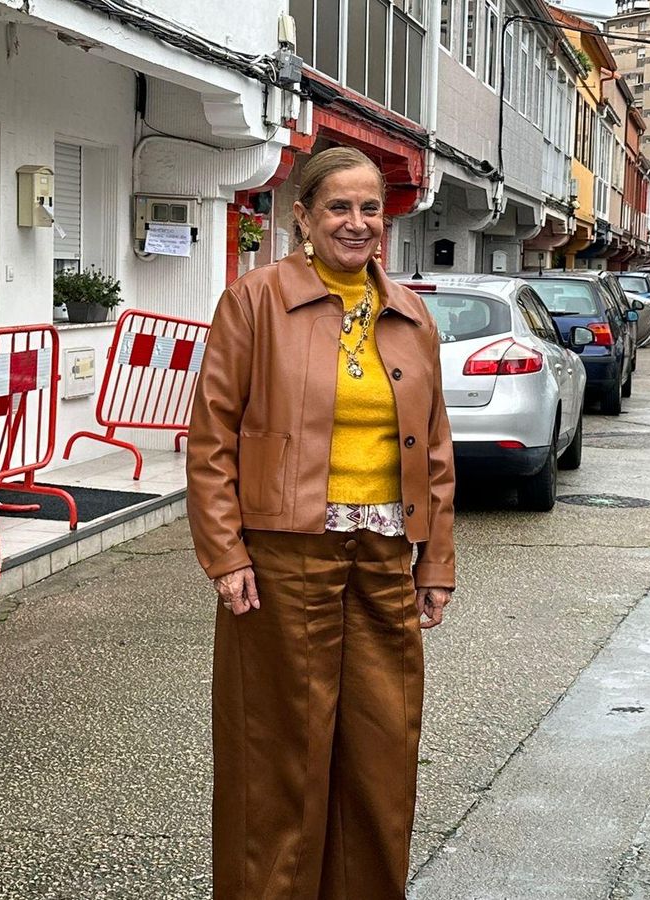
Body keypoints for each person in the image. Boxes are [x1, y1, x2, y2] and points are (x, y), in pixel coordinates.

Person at [187, 146, 458, 900]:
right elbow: (212, 437)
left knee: (382, 753)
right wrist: (225, 554)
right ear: (302, 216)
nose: (357, 222)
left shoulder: (410, 314)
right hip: (281, 558)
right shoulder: (256, 300)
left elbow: (434, 447)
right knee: (278, 759)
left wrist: (434, 561)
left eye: (370, 208)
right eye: (339, 206)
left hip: (382, 557)